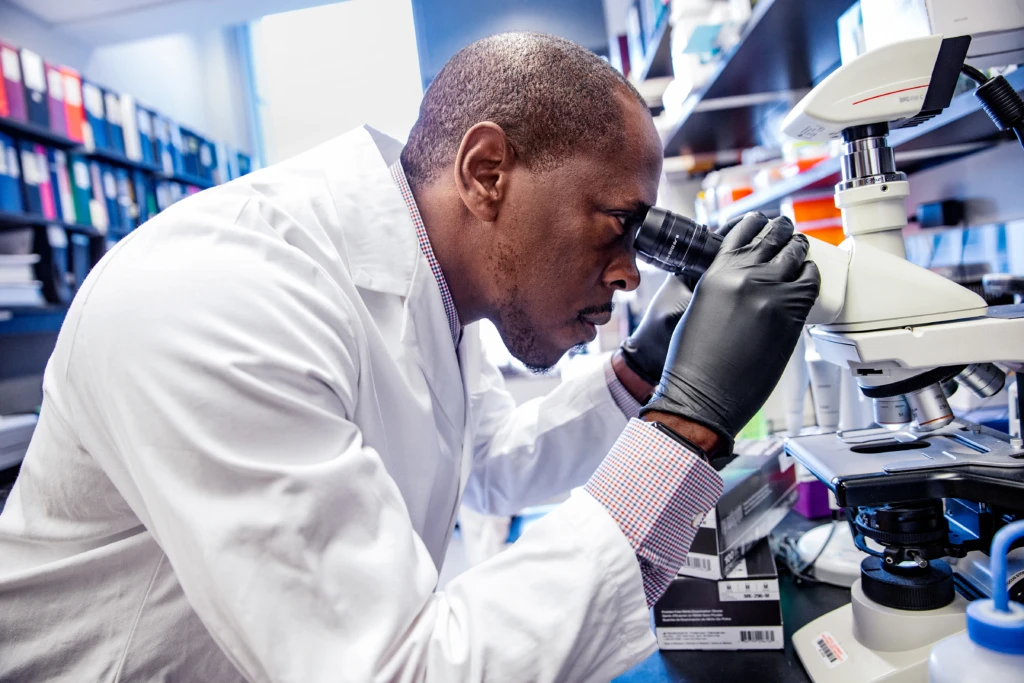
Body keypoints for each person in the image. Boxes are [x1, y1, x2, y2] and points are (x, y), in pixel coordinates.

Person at [0, 32, 818, 682]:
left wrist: (642, 371)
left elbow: (489, 464)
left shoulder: (432, 280)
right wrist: (688, 422)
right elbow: (395, 669)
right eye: (617, 223)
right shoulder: (220, 298)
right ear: (487, 171)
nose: (632, 271)